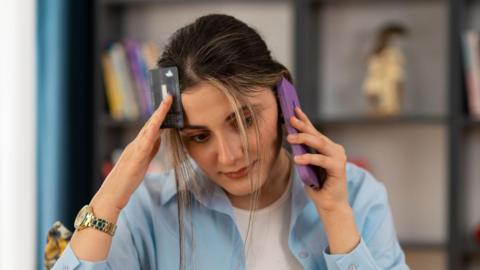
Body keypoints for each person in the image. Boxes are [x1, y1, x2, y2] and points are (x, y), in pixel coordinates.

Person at [53, 14, 408, 270]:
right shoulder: (148, 209)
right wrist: (110, 198)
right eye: (199, 136)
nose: (228, 155)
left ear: (285, 98)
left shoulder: (358, 195)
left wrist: (334, 215)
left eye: (244, 120)